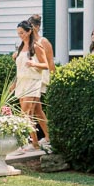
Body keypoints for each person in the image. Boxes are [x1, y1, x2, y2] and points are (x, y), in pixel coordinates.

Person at [12, 20, 51, 151]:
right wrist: (15, 83)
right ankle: (42, 140)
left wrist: (34, 64)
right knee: (36, 112)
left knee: (25, 112)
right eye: (18, 33)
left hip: (33, 81)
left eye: (22, 32)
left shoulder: (36, 46)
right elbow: (19, 68)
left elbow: (45, 65)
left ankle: (27, 142)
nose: (20, 35)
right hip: (22, 82)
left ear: (29, 31)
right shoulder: (20, 47)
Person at [26, 13, 55, 145]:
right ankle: (48, 137)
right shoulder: (28, 43)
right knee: (37, 109)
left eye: (31, 26)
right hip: (30, 79)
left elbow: (50, 62)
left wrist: (54, 80)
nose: (29, 29)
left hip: (41, 79)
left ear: (37, 27)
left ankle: (33, 141)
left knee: (31, 109)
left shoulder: (44, 42)